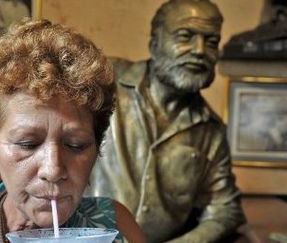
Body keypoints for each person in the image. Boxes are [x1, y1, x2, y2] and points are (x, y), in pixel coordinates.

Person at [0, 19, 145, 243]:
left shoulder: (115, 223)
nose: (53, 170)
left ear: (96, 148)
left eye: (76, 144)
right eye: (28, 144)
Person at [89, 0, 246, 242]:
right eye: (185, 36)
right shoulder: (103, 81)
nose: (200, 50)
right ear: (154, 43)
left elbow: (225, 209)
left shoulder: (210, 130)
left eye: (212, 42)